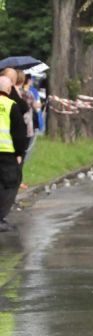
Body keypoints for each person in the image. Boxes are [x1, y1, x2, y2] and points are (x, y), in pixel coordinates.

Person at [0, 74, 27, 232]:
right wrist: (19, 153)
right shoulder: (11, 105)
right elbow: (18, 132)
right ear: (9, 89)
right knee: (11, 184)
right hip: (7, 152)